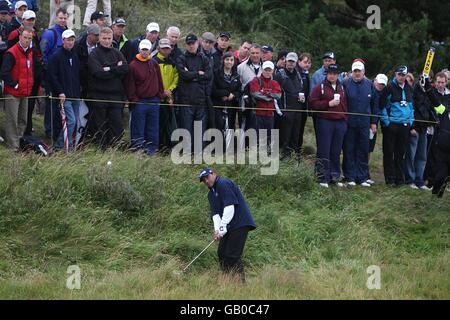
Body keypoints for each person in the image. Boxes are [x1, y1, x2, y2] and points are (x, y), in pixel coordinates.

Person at [199, 168, 256, 283]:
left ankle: (240, 285)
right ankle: (227, 280)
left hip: (240, 223)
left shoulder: (223, 183)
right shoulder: (211, 195)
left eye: (207, 177)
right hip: (230, 226)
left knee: (232, 255)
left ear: (213, 174)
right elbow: (215, 215)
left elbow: (230, 207)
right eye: (203, 180)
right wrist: (217, 230)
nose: (206, 181)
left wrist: (222, 227)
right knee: (222, 253)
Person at [87, 27, 128, 148]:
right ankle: (101, 149)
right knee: (100, 124)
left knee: (116, 124)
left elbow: (125, 68)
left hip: (115, 95)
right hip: (99, 95)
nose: (106, 41)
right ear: (99, 38)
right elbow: (98, 73)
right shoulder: (94, 54)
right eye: (104, 38)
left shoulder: (117, 52)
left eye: (109, 38)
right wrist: (116, 68)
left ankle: (115, 148)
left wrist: (109, 68)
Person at [309, 64, 348, 188]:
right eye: (330, 73)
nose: (332, 76)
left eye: (335, 74)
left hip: (340, 122)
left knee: (336, 150)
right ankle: (322, 177)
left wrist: (345, 119)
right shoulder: (319, 87)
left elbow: (345, 105)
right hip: (325, 121)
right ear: (327, 74)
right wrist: (328, 104)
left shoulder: (341, 87)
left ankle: (334, 176)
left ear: (338, 75)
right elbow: (312, 103)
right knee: (324, 149)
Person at [7, 10, 43, 137]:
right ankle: (14, 142)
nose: (30, 22)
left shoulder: (34, 35)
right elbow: (9, 58)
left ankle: (25, 135)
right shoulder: (14, 35)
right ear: (22, 20)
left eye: (32, 20)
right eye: (28, 19)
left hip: (30, 79)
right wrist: (14, 83)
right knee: (14, 115)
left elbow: (38, 54)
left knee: (28, 110)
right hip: (17, 81)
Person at [342, 60, 378, 187]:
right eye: (355, 71)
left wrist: (374, 123)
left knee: (363, 150)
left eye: (359, 71)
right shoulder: (345, 83)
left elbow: (375, 104)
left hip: (364, 123)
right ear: (352, 72)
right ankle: (350, 176)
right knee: (349, 149)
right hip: (349, 123)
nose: (357, 73)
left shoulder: (370, 84)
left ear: (364, 72)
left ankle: (362, 177)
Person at [125, 39, 164, 155]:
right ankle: (138, 150)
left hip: (154, 101)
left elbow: (160, 81)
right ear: (139, 49)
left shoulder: (154, 63)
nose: (145, 52)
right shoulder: (133, 65)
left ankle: (151, 151)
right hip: (140, 102)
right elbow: (129, 85)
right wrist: (134, 99)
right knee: (138, 128)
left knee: (153, 129)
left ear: (150, 50)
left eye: (147, 49)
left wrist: (159, 95)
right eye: (143, 49)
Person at [176, 33, 212, 153]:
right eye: (189, 44)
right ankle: (186, 154)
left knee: (199, 131)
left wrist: (192, 74)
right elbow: (183, 75)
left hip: (201, 101)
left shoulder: (204, 58)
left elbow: (208, 75)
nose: (191, 46)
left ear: (198, 43)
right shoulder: (182, 58)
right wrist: (198, 74)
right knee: (186, 130)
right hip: (186, 101)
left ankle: (198, 156)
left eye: (193, 43)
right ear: (186, 45)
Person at [379, 65, 414, 186]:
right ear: (395, 74)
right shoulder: (389, 87)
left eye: (403, 75)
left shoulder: (409, 88)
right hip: (392, 125)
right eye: (399, 74)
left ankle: (400, 179)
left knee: (401, 153)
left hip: (405, 125)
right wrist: (387, 122)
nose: (401, 77)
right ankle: (390, 179)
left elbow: (411, 106)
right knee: (389, 152)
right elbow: (382, 106)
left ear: (406, 76)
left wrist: (410, 121)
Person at [0, 27, 33, 150]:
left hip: (25, 92)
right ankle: (13, 147)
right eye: (25, 37)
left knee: (23, 120)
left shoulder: (30, 52)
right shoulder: (11, 52)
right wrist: (15, 84)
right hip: (12, 93)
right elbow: (4, 72)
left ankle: (19, 143)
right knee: (12, 120)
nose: (27, 40)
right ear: (20, 37)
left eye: (29, 38)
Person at [47, 29, 80, 151]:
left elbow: (76, 76)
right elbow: (52, 76)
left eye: (72, 40)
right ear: (63, 41)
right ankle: (60, 145)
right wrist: (60, 91)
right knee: (70, 121)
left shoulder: (75, 55)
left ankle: (69, 145)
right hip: (64, 95)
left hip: (75, 95)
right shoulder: (56, 56)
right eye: (68, 40)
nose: (70, 42)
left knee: (75, 121)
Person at [40, 7, 68, 140]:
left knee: (60, 105)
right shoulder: (50, 33)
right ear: (56, 18)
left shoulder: (68, 33)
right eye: (60, 18)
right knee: (51, 105)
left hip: (63, 77)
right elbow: (42, 53)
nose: (63, 20)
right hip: (50, 76)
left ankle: (59, 131)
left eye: (65, 18)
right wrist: (47, 72)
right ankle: (49, 131)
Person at [406, 72, 434, 190]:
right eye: (423, 78)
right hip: (415, 127)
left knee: (422, 156)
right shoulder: (414, 90)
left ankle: (419, 180)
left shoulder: (429, 92)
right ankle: (410, 180)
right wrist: (411, 126)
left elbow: (431, 108)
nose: (425, 80)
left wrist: (432, 122)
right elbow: (411, 108)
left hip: (424, 127)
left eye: (427, 79)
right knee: (411, 155)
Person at [274, 52, 305, 158]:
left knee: (295, 136)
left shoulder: (299, 74)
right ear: (285, 61)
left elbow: (302, 90)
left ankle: (294, 159)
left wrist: (302, 98)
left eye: (293, 61)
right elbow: (275, 94)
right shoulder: (280, 74)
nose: (291, 63)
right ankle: (284, 159)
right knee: (285, 137)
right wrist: (281, 111)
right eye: (289, 61)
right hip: (286, 110)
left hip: (297, 110)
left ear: (296, 62)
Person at [212, 51, 241, 151]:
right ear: (223, 61)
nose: (229, 62)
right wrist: (224, 94)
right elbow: (213, 90)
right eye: (227, 59)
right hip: (218, 105)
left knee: (230, 127)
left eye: (231, 60)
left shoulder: (236, 75)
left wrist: (233, 95)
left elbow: (239, 90)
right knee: (219, 126)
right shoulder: (216, 73)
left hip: (231, 105)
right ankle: (218, 149)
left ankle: (229, 149)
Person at [153, 38, 179, 152]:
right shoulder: (153, 61)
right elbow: (152, 79)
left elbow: (176, 78)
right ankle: (157, 147)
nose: (165, 50)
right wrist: (161, 92)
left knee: (169, 124)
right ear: (159, 48)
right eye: (163, 48)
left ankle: (167, 147)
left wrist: (170, 91)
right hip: (157, 96)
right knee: (157, 124)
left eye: (167, 48)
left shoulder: (172, 62)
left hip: (168, 97)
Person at [249, 60, 282, 149]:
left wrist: (265, 92)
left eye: (269, 70)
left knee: (269, 137)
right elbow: (255, 93)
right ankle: (255, 156)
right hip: (258, 114)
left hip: (270, 114)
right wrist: (269, 96)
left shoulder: (274, 83)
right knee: (257, 137)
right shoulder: (256, 80)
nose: (267, 72)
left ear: (272, 71)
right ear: (262, 70)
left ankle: (267, 156)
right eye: (266, 70)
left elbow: (278, 95)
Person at [368, 73, 388, 183]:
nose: (380, 85)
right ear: (374, 80)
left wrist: (375, 122)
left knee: (369, 148)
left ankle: (365, 172)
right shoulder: (368, 88)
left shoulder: (383, 94)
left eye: (382, 85)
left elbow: (380, 109)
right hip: (365, 122)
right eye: (379, 83)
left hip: (374, 124)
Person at [199, 31, 216, 129]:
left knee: (210, 120)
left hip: (209, 92)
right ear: (201, 41)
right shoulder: (197, 52)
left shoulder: (214, 55)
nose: (208, 44)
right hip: (198, 91)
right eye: (206, 42)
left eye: (210, 43)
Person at [297, 52, 312, 151]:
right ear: (299, 62)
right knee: (295, 130)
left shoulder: (306, 74)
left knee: (301, 129)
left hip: (304, 107)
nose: (307, 64)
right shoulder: (296, 73)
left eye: (309, 63)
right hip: (295, 106)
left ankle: (298, 150)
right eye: (305, 62)